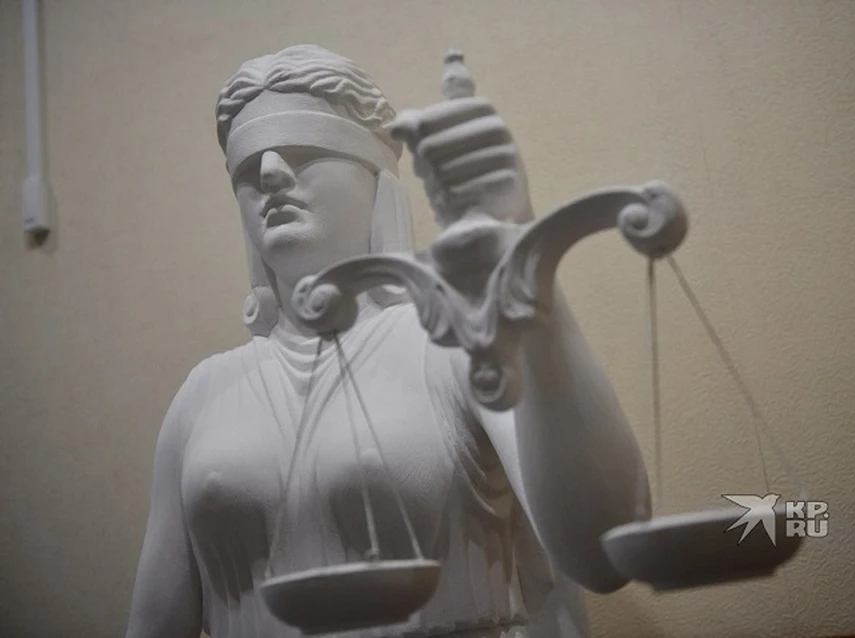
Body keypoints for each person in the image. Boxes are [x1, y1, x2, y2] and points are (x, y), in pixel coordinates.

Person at [126, 44, 650, 638]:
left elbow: (603, 549)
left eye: (305, 152)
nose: (269, 173)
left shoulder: (452, 346)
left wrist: (523, 260)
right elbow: (153, 624)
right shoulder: (203, 397)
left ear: (375, 179)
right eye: (247, 170)